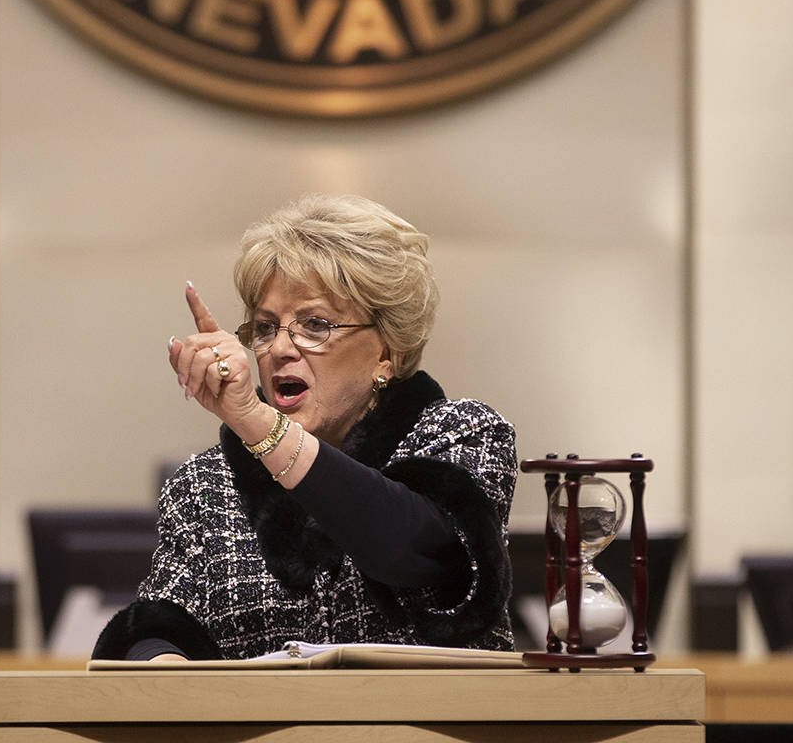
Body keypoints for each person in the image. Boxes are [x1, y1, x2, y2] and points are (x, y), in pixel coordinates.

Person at [93, 194, 517, 661]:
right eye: (266, 326)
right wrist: (162, 665)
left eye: (315, 325)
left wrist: (256, 422)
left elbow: (414, 550)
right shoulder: (205, 485)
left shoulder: (462, 433)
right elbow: (157, 621)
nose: (279, 349)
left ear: (386, 352)